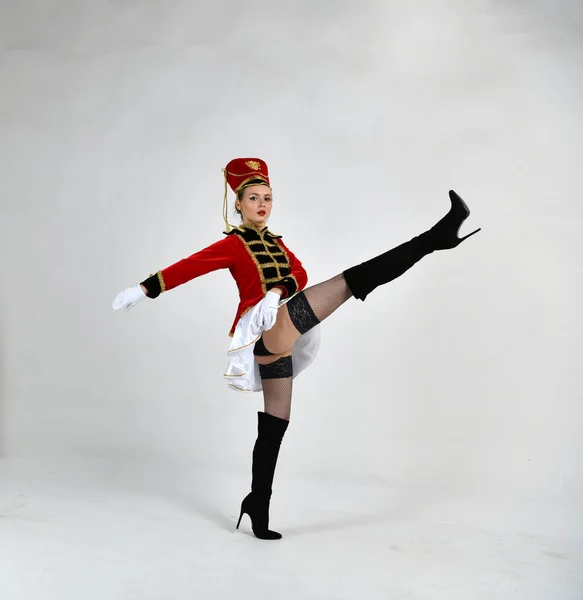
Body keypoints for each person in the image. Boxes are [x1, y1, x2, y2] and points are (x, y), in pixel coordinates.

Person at [112, 157, 481, 540]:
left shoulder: (276, 243)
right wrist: (144, 289)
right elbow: (189, 267)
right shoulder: (233, 245)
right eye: (253, 197)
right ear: (237, 203)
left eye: (267, 198)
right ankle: (435, 238)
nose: (261, 204)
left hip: (278, 335)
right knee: (350, 282)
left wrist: (277, 290)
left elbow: (300, 273)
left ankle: (257, 504)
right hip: (262, 329)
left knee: (277, 420)